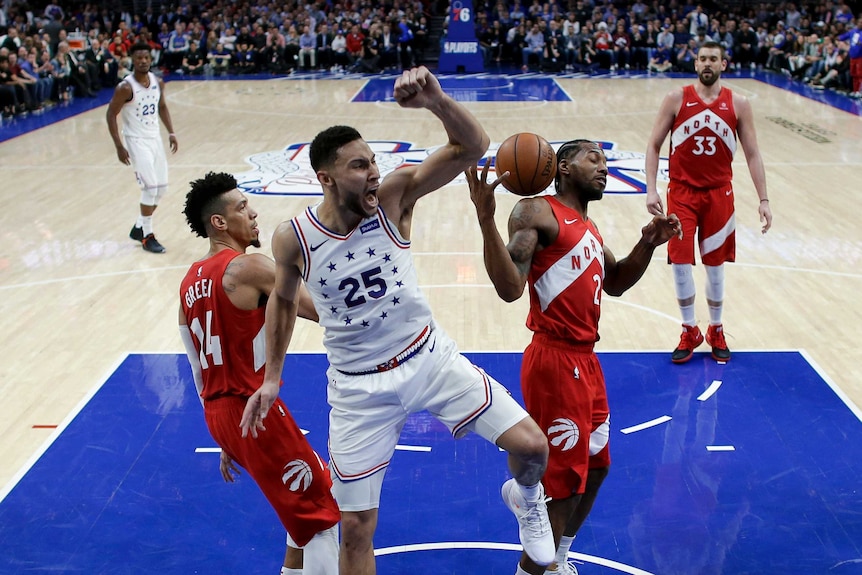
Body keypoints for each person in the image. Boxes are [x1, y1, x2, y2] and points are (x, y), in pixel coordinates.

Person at [239, 67, 555, 575]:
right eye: (359, 166)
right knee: (356, 530)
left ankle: (526, 499)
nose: (373, 173)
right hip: (358, 390)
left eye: (374, 162)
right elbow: (280, 301)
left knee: (533, 447)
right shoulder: (294, 237)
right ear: (325, 178)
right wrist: (273, 377)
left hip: (429, 358)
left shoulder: (393, 200)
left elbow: (471, 148)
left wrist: (436, 101)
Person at [466, 140, 683, 575]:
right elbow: (510, 288)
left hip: (587, 361)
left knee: (597, 467)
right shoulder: (536, 212)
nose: (603, 168)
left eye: (605, 161)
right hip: (554, 361)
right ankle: (532, 570)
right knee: (564, 484)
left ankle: (559, 559)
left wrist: (649, 243)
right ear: (562, 167)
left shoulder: (589, 227)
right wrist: (487, 219)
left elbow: (616, 281)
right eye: (593, 159)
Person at [178, 171, 340, 575]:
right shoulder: (249, 267)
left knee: (298, 505)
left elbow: (198, 368)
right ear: (219, 222)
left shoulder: (187, 284)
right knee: (321, 512)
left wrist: (225, 432)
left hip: (221, 414)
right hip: (254, 410)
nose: (253, 214)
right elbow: (319, 311)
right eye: (242, 208)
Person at [645, 41, 772, 364]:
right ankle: (689, 328)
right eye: (702, 58)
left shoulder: (739, 104)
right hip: (682, 193)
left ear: (723, 64)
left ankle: (716, 328)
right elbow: (653, 145)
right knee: (681, 263)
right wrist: (651, 189)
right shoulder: (676, 98)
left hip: (719, 194)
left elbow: (754, 154)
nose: (707, 63)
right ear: (695, 63)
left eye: (713, 59)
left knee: (715, 266)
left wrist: (764, 199)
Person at [106, 42, 178, 254]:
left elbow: (162, 107)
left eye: (146, 57)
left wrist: (171, 132)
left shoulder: (158, 82)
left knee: (162, 187)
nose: (143, 61)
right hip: (136, 141)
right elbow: (111, 114)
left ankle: (139, 227)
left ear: (150, 58)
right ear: (132, 60)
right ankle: (147, 236)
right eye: (139, 58)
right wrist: (119, 145)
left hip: (154, 138)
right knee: (150, 188)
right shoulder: (125, 87)